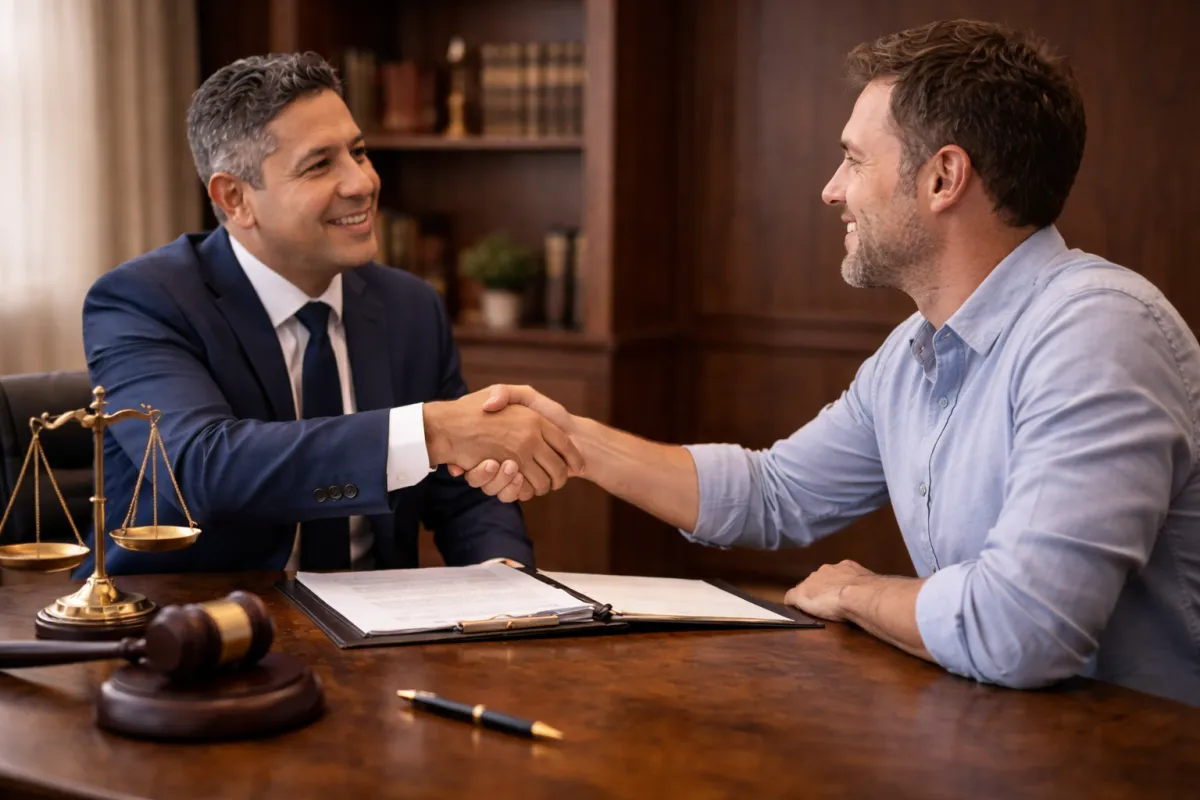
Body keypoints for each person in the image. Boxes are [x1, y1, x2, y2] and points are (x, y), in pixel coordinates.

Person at [453, 20, 1200, 705]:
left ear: (943, 178)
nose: (831, 189)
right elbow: (774, 493)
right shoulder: (910, 355)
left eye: (853, 159)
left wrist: (858, 593)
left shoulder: (1098, 333)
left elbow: (1021, 631)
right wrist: (573, 442)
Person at [75, 52, 580, 577]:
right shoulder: (143, 300)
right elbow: (202, 469)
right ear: (235, 198)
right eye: (319, 165)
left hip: (376, 622)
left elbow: (465, 492)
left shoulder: (411, 306)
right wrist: (430, 431)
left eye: (358, 152)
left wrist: (501, 574)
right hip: (190, 615)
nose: (362, 182)